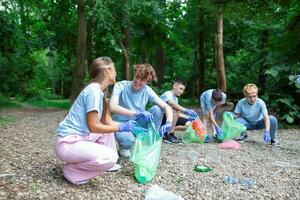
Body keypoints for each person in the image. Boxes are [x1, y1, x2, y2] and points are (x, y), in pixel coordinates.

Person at [55, 57, 135, 185]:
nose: (116, 73)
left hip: (78, 138)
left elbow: (107, 122)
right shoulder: (93, 91)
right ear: (107, 71)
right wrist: (120, 128)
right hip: (68, 144)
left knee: (107, 131)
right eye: (114, 69)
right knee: (111, 157)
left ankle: (103, 163)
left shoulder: (98, 91)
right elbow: (93, 126)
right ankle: (73, 171)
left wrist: (128, 125)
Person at [110, 63, 173, 157]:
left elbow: (166, 107)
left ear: (147, 81)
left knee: (157, 109)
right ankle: (126, 145)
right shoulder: (120, 85)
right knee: (126, 146)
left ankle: (149, 143)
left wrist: (169, 122)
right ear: (134, 74)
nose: (137, 81)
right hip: (122, 123)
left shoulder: (147, 90)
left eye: (142, 80)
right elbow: (112, 107)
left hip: (138, 123)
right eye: (136, 77)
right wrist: (136, 113)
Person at [160, 78, 198, 144]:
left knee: (190, 124)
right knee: (175, 110)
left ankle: (166, 132)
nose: (182, 91)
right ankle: (170, 134)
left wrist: (189, 118)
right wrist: (186, 110)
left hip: (170, 119)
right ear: (174, 86)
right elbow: (172, 104)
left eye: (183, 90)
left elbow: (178, 114)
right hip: (161, 119)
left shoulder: (176, 98)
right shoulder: (167, 94)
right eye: (180, 89)